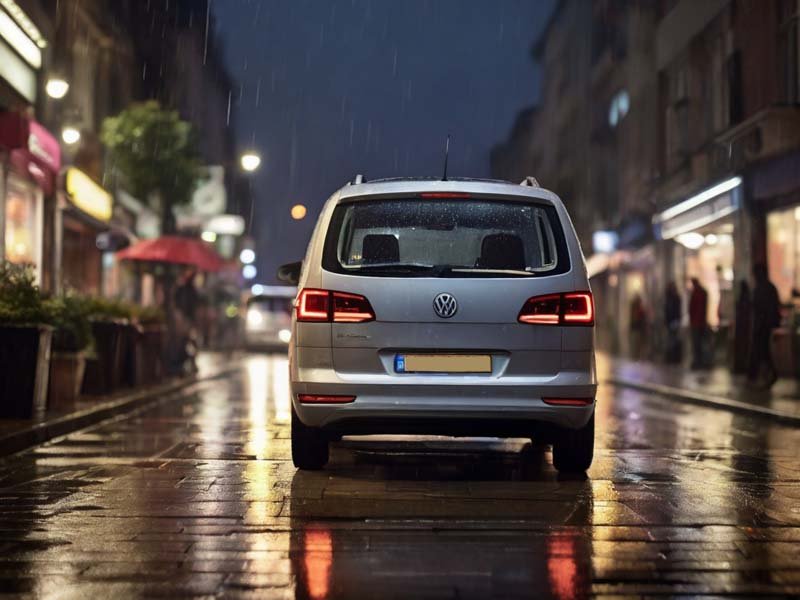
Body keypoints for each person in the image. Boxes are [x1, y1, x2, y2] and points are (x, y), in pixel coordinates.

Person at [748, 264, 781, 387]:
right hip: (764, 324)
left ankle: (768, 374)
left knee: (762, 350)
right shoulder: (767, 287)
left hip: (763, 325)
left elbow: (764, 308)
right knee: (763, 350)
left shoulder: (763, 288)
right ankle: (766, 374)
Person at [689, 278, 709, 369]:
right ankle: (701, 361)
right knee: (700, 343)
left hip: (697, 323)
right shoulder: (702, 293)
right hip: (700, 322)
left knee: (697, 344)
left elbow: (693, 308)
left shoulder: (697, 293)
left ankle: (699, 362)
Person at [732, 280, 751, 374]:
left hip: (743, 329)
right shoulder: (745, 300)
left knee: (742, 349)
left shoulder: (745, 300)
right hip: (742, 329)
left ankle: (741, 367)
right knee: (741, 349)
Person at [664, 281, 682, 364]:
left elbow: (677, 310)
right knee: (670, 340)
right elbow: (667, 311)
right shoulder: (668, 298)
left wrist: (677, 320)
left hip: (674, 321)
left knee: (674, 340)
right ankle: (670, 357)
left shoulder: (676, 298)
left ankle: (675, 357)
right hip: (669, 321)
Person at [629, 294, 647, 360]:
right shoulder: (634, 309)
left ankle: (638, 356)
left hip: (639, 328)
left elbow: (642, 319)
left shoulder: (641, 310)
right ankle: (635, 355)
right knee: (635, 342)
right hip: (635, 327)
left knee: (638, 343)